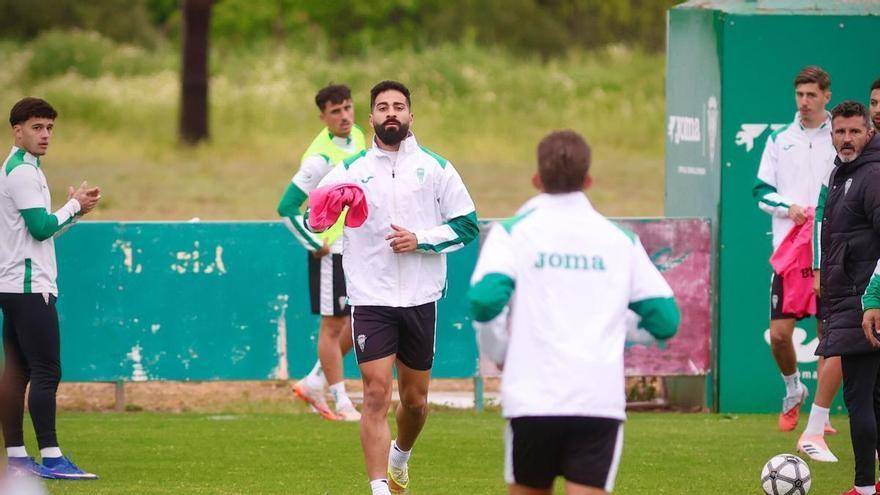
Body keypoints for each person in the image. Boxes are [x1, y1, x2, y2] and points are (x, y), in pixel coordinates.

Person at [469, 130, 679, 495]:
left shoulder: (513, 232)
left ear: (536, 180)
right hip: (596, 398)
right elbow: (665, 320)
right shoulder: (619, 240)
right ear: (588, 180)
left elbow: (485, 301)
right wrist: (621, 323)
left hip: (534, 398)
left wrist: (500, 350)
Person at [307, 80, 478, 495]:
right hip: (371, 297)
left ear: (410, 116)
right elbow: (316, 215)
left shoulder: (437, 168)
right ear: (371, 118)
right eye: (382, 107)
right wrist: (329, 207)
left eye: (398, 106)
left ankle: (400, 456)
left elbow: (467, 225)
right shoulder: (351, 170)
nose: (391, 113)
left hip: (421, 297)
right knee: (375, 392)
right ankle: (379, 488)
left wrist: (420, 240)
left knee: (416, 402)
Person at [0, 97, 100, 479]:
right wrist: (72, 206)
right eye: (37, 127)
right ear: (18, 130)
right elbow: (42, 228)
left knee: (18, 372)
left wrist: (75, 211)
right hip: (27, 286)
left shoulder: (22, 168)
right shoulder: (23, 171)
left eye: (49, 128)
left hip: (13, 284)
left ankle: (17, 458)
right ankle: (52, 456)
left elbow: (38, 230)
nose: (45, 135)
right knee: (46, 370)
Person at [752, 66, 841, 447]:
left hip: (829, 249)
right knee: (779, 335)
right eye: (799, 95)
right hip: (788, 253)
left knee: (828, 336)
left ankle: (820, 417)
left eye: (811, 95)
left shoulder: (840, 134)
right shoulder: (779, 138)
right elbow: (760, 191)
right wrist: (789, 207)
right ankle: (793, 391)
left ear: (826, 96)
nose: (804, 102)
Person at [277, 84, 367, 422]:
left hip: (358, 247)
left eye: (347, 108)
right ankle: (342, 401)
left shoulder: (359, 136)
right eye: (336, 111)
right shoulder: (319, 159)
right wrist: (315, 243)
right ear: (323, 117)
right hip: (332, 252)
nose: (344, 116)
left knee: (357, 318)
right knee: (333, 326)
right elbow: (286, 206)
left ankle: (315, 380)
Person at [813, 101, 880, 495]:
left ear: (869, 132)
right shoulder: (845, 172)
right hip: (855, 303)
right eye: (840, 132)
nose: (847, 139)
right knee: (873, 399)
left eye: (855, 131)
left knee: (859, 401)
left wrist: (873, 299)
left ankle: (864, 488)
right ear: (831, 133)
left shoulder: (871, 174)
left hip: (864, 306)